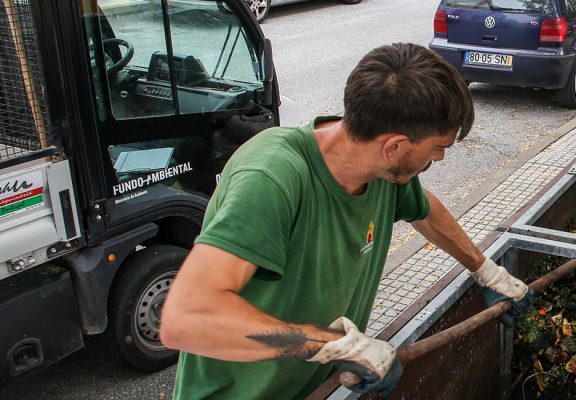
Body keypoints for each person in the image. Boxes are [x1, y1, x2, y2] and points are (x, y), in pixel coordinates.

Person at [161, 43, 532, 399]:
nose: (440, 158)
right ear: (394, 146)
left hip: (314, 388)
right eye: (438, 147)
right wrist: (334, 345)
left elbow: (426, 210)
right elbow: (187, 320)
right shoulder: (273, 178)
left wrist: (486, 271)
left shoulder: (384, 172)